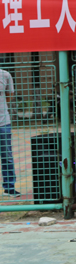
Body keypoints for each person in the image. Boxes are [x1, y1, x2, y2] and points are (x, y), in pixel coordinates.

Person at [0, 68, 19, 197]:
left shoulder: (5, 74)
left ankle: (9, 187)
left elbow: (9, 95)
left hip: (3, 122)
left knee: (7, 156)